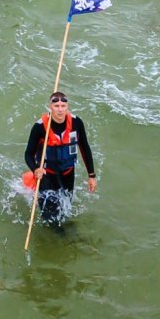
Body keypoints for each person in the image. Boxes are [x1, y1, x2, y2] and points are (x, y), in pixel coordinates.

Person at [23, 92, 97, 228]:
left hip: (68, 174)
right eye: (56, 106)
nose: (60, 109)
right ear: (50, 107)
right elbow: (28, 154)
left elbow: (85, 148)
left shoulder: (76, 123)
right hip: (47, 176)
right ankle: (63, 238)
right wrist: (35, 169)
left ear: (67, 106)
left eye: (63, 106)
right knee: (49, 219)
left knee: (65, 212)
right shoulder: (40, 127)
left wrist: (91, 175)